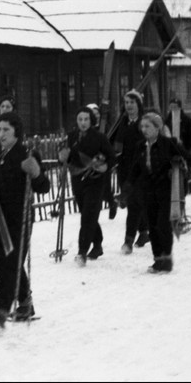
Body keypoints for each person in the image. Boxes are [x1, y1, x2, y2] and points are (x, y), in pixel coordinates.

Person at [0, 112, 50, 326]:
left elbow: (44, 186)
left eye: (6, 129)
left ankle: (1, 307)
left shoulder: (27, 152)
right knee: (8, 260)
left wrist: (35, 173)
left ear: (16, 131)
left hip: (20, 216)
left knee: (11, 261)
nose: (1, 134)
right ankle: (25, 302)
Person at [124, 112, 191, 273]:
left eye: (148, 126)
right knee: (152, 225)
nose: (144, 129)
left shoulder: (168, 144)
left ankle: (166, 258)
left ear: (157, 128)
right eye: (142, 126)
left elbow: (186, 159)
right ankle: (157, 259)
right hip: (147, 190)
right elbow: (135, 168)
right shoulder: (141, 146)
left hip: (166, 190)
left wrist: (177, 165)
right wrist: (128, 186)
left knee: (163, 224)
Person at [58, 107, 116, 265]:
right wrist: (63, 157)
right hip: (77, 179)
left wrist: (105, 166)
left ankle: (82, 251)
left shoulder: (99, 137)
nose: (83, 123)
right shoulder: (72, 137)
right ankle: (97, 245)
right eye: (80, 119)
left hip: (95, 180)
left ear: (91, 121)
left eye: (86, 119)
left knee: (88, 215)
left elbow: (111, 158)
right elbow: (66, 157)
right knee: (86, 213)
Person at [113, 89, 149, 253]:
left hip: (140, 169)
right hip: (124, 168)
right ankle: (144, 232)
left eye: (132, 102)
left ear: (138, 104)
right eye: (126, 103)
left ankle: (128, 241)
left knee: (134, 202)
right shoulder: (121, 122)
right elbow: (112, 142)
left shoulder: (144, 123)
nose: (128, 106)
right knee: (134, 203)